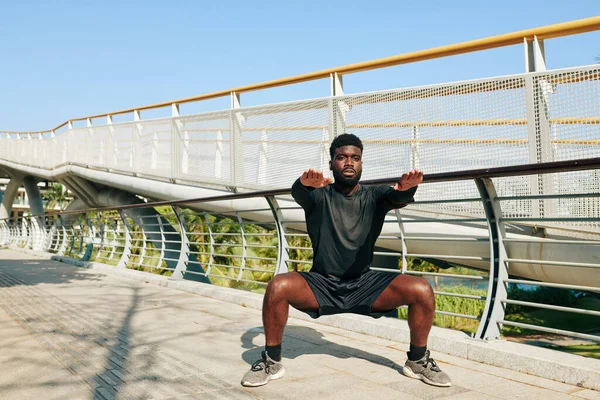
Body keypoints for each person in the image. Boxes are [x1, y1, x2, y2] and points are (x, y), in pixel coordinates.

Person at [241, 133, 451, 388]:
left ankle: (417, 361)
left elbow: (397, 198)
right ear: (331, 163)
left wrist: (408, 189)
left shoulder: (375, 196)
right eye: (341, 157)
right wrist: (303, 183)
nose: (349, 162)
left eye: (355, 158)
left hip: (365, 284)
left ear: (362, 163)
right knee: (278, 286)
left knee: (421, 290)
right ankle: (271, 361)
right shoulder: (318, 196)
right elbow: (299, 193)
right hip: (321, 284)